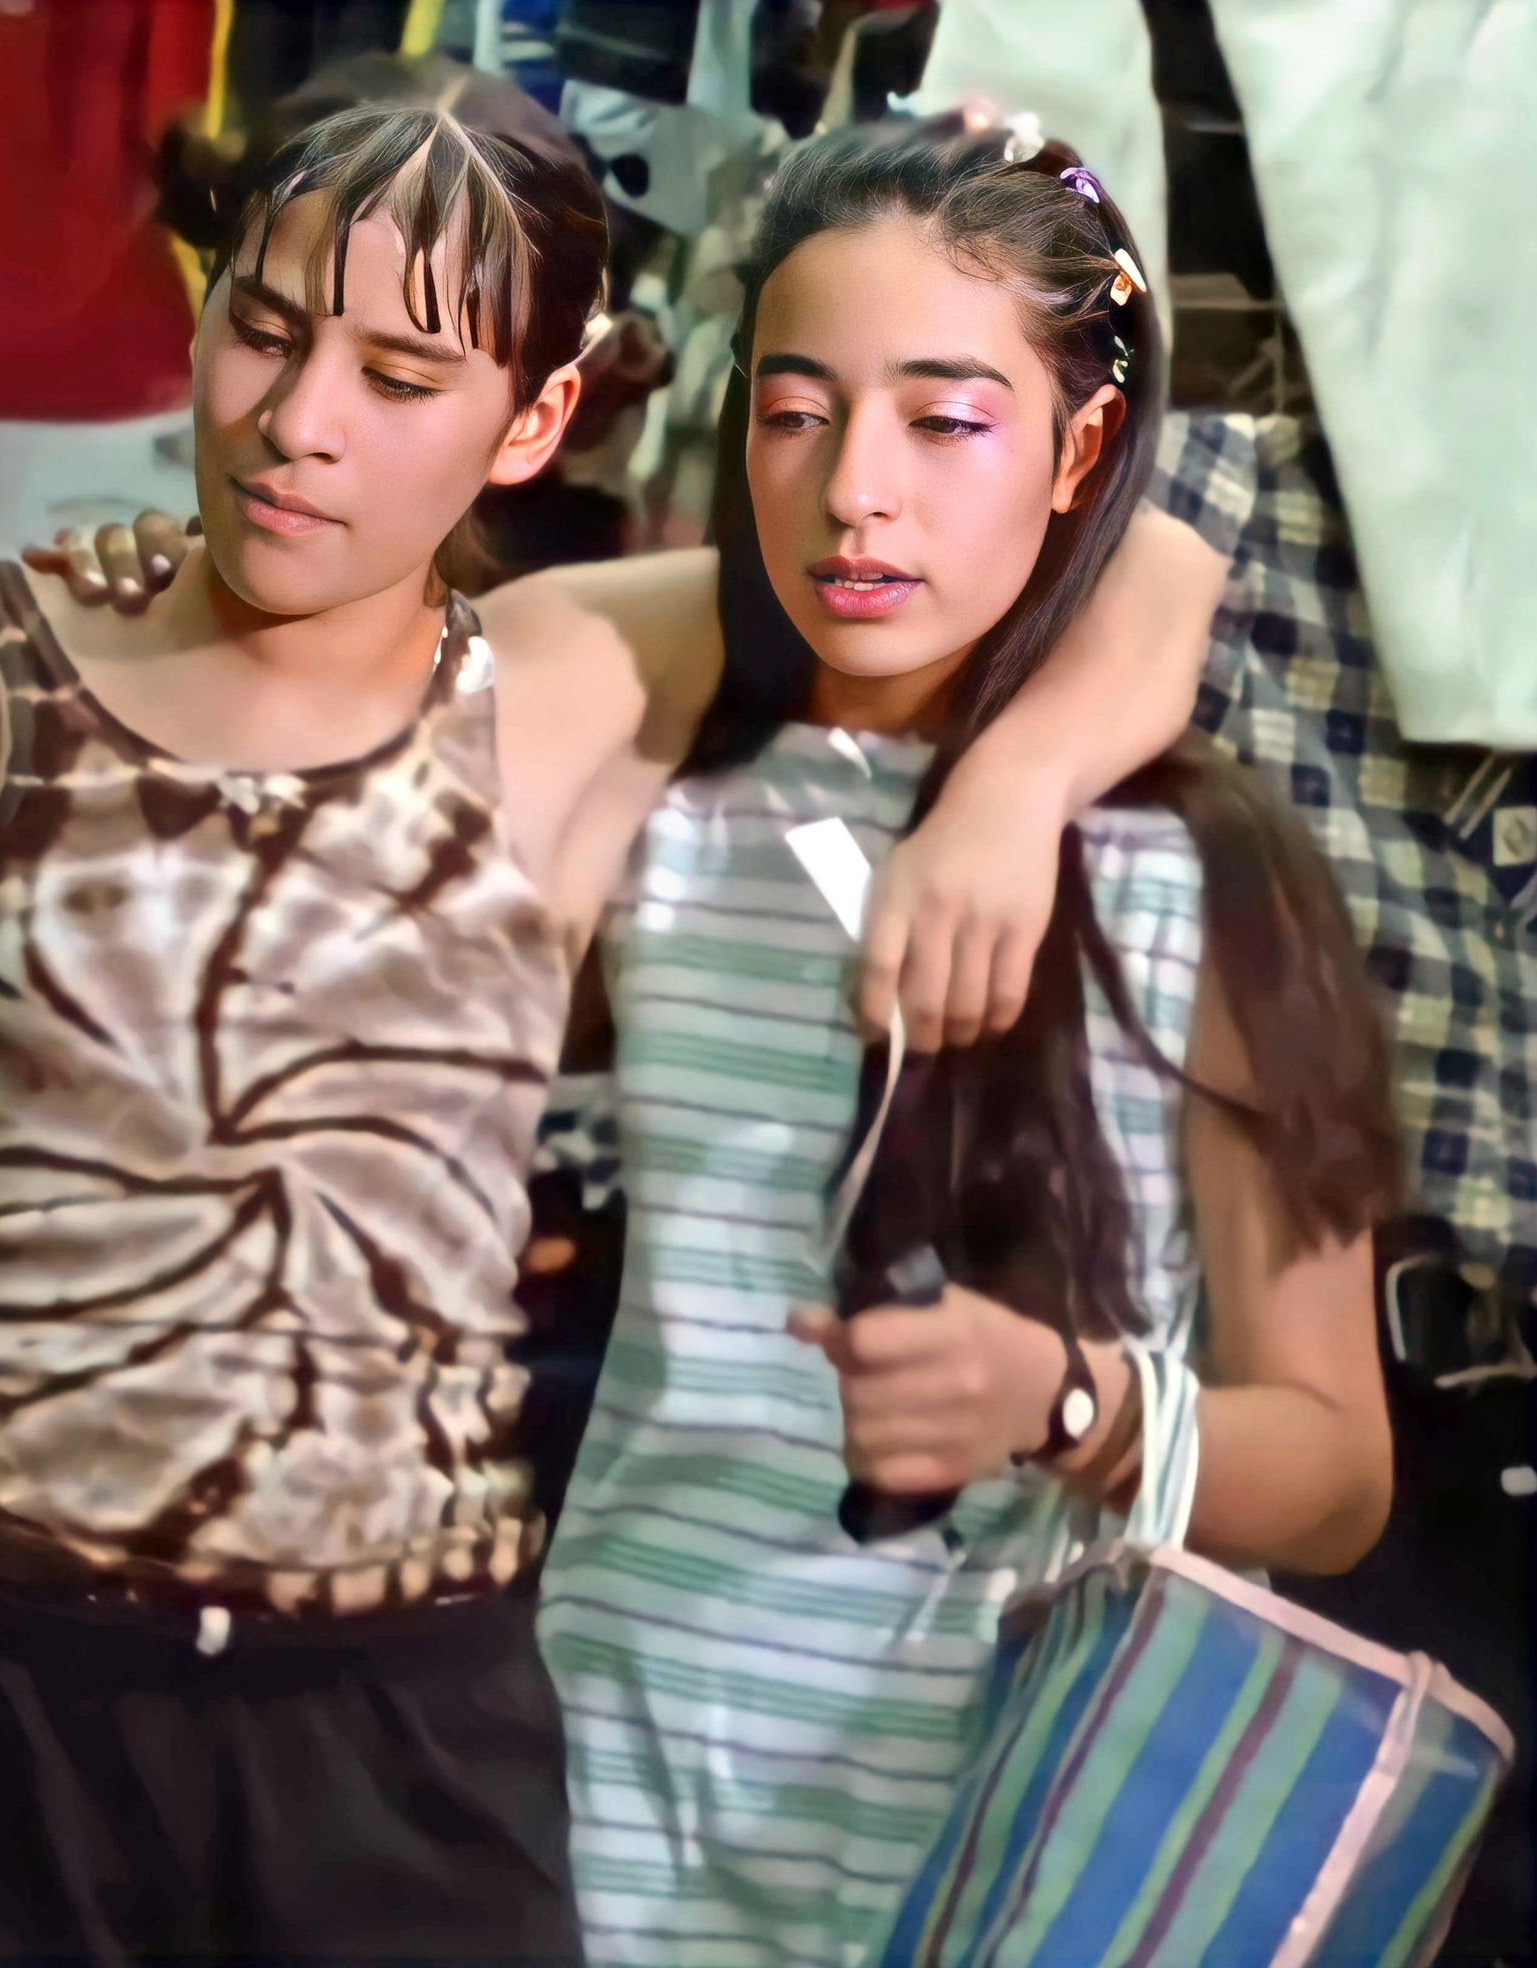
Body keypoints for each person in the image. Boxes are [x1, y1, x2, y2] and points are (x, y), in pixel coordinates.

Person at [0, 107, 1216, 1966]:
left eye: (398, 376)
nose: (301, 423)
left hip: (396, 1716)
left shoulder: (565, 682)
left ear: (533, 424)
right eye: (265, 332)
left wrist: (1013, 790)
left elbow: (1145, 563)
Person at [519, 119, 1399, 1967]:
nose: (857, 493)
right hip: (618, 1815)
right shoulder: (657, 795)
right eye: (796, 413)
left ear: (1077, 448)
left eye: (944, 420)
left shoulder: (1195, 870)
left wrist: (1060, 1403)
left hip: (1040, 1856)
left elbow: (1335, 1474)